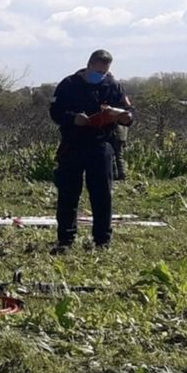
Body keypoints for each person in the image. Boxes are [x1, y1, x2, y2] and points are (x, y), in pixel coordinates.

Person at [49, 49, 134, 251]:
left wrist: (123, 116)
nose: (101, 76)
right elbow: (55, 112)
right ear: (89, 65)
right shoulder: (68, 85)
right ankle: (65, 240)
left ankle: (102, 240)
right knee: (68, 193)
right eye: (98, 71)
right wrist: (73, 118)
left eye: (104, 72)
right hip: (73, 143)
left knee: (102, 194)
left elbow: (129, 112)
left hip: (101, 144)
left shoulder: (113, 86)